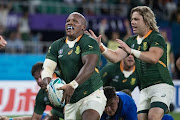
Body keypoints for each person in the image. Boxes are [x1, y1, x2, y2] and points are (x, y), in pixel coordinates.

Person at [88, 6, 174, 120]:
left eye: (136, 19)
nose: (132, 22)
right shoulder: (131, 41)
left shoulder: (156, 38)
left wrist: (131, 51)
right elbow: (115, 57)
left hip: (161, 85)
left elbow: (153, 57)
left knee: (153, 117)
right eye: (132, 19)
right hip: (145, 89)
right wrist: (100, 46)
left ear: (147, 20)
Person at [41, 12, 106, 120]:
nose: (70, 23)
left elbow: (89, 66)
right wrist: (49, 86)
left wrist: (72, 85)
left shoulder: (89, 41)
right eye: (68, 21)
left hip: (92, 93)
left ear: (83, 27)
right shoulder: (56, 45)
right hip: (71, 100)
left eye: (75, 21)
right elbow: (47, 68)